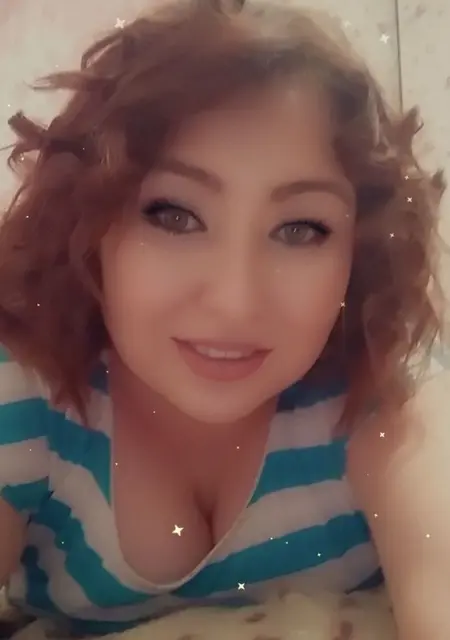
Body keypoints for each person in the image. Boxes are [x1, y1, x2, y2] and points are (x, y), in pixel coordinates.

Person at [0, 0, 446, 638]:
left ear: (361, 250)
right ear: (87, 225)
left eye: (301, 229)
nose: (236, 303)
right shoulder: (29, 391)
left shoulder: (386, 390)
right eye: (174, 215)